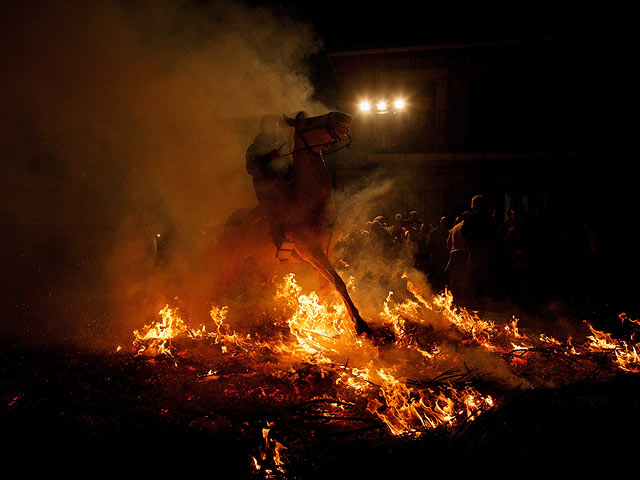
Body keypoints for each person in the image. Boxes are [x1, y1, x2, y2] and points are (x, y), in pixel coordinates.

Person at [245, 114, 292, 257]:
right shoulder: (254, 148)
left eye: (275, 125)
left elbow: (289, 163)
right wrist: (268, 161)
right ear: (263, 127)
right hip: (265, 186)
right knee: (272, 207)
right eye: (270, 125)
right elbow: (251, 168)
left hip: (284, 184)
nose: (273, 128)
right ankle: (279, 242)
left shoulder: (282, 146)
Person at [461, 195, 496, 302]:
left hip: (475, 249)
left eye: (472, 202)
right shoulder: (489, 217)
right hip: (487, 250)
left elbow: (464, 231)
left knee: (472, 273)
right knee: (484, 273)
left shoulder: (472, 216)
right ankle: (484, 296)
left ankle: (474, 297)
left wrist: (470, 240)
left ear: (475, 204)